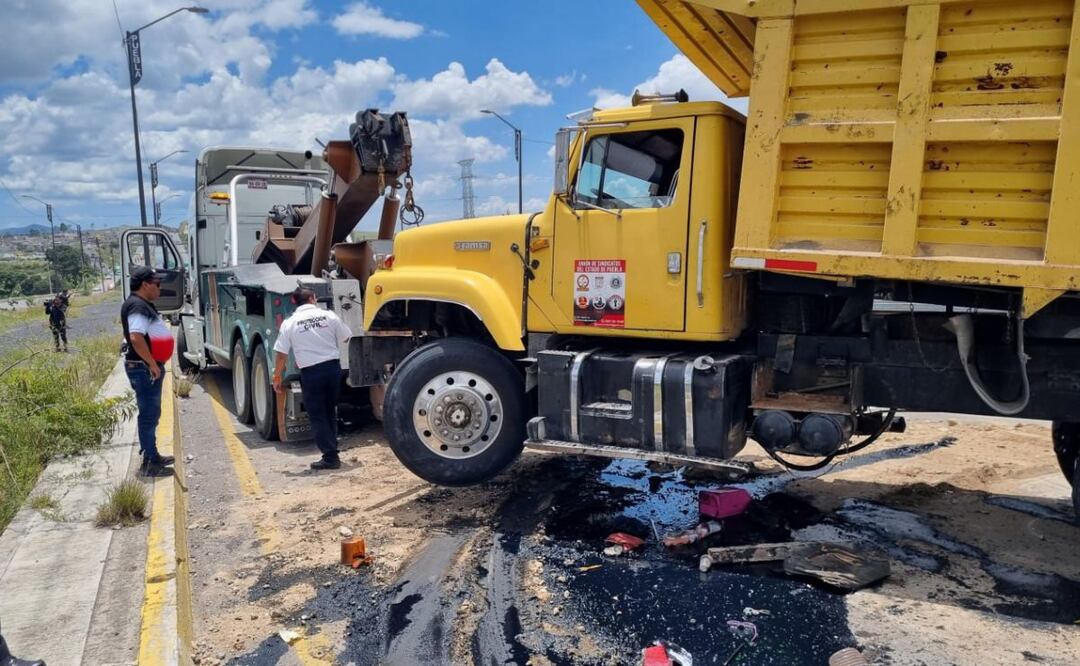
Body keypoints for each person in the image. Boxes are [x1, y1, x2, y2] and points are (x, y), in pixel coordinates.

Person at [272, 286, 352, 470]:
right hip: (332, 369)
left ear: (295, 302)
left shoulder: (290, 323)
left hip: (311, 372)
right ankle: (332, 450)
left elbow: (282, 354)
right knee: (329, 410)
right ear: (313, 299)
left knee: (317, 414)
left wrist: (277, 376)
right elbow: (346, 337)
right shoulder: (329, 316)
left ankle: (330, 457)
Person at [121, 266, 176, 477]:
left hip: (144, 367)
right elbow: (135, 336)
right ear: (145, 285)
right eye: (157, 284)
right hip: (143, 369)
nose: (160, 288)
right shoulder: (137, 306)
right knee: (148, 415)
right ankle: (149, 464)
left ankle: (153, 455)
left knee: (152, 414)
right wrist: (152, 363)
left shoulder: (140, 304)